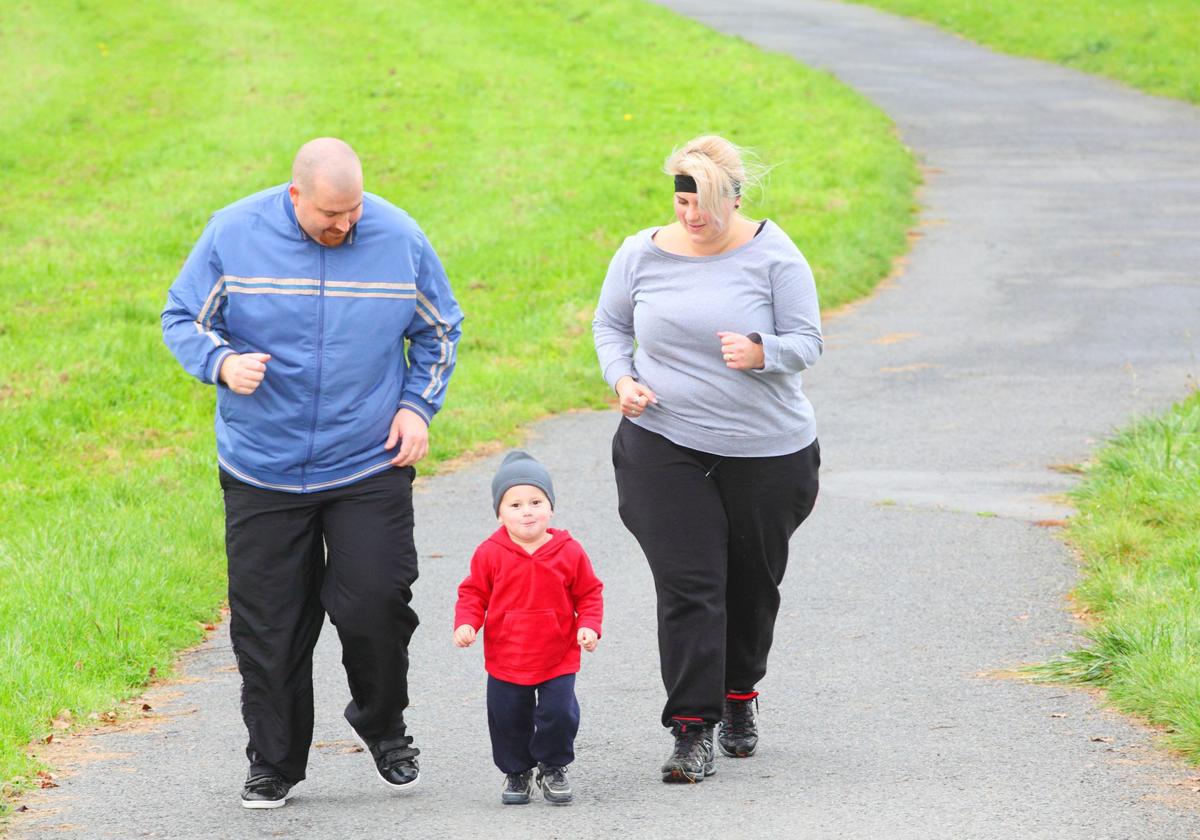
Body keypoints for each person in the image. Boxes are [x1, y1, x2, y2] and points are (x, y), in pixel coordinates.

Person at [161, 137, 463, 809]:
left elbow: (440, 331)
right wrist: (220, 363)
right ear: (294, 195)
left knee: (377, 602)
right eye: (331, 214)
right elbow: (182, 317)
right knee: (269, 625)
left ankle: (382, 722)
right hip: (262, 466)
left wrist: (416, 408)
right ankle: (275, 762)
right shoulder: (233, 233)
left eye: (353, 211)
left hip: (366, 459)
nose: (345, 225)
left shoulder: (399, 237)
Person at [592, 135, 821, 783]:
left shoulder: (774, 257)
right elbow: (610, 326)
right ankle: (692, 729)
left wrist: (762, 351)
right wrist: (622, 379)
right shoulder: (641, 253)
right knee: (691, 586)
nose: (692, 215)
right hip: (664, 442)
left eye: (706, 202)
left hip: (766, 453)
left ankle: (739, 693)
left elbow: (808, 340)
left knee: (750, 587)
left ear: (736, 198)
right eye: (683, 199)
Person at [454, 450, 604, 806]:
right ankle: (517, 771)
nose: (527, 511)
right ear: (499, 512)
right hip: (507, 655)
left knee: (559, 714)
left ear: (550, 507)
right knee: (507, 717)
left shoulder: (569, 551)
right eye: (515, 504)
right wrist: (467, 623)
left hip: (558, 654)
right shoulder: (490, 552)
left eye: (536, 501)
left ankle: (553, 766)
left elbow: (589, 593)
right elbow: (473, 592)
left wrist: (590, 626)